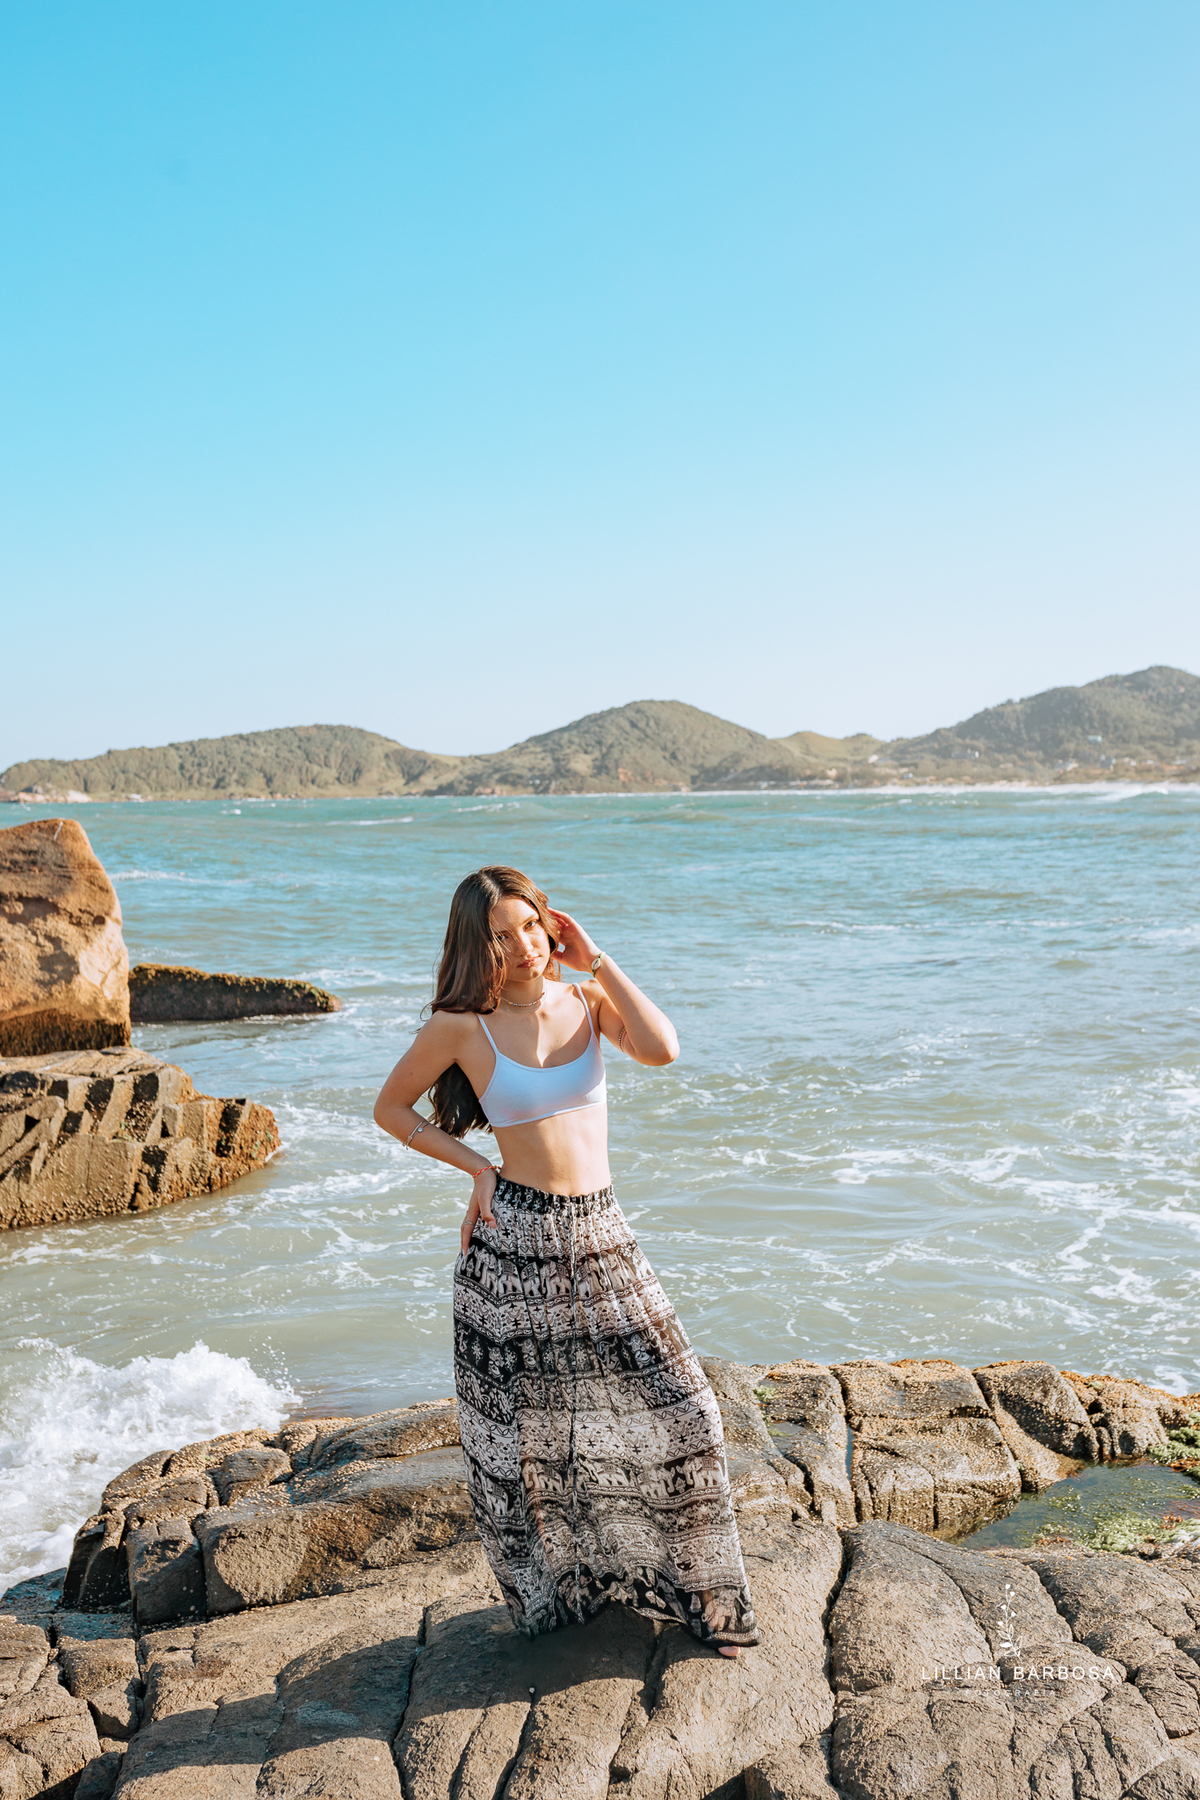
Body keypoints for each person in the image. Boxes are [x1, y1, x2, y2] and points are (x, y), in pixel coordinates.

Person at [373, 864, 758, 1656]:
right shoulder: (460, 1025)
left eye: (529, 926)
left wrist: (599, 960)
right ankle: (565, 1599)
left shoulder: (585, 1000)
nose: (521, 948)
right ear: (476, 948)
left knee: (687, 1411)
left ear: (551, 923)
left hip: (602, 1232)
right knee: (533, 1447)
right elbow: (390, 1108)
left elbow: (663, 1049)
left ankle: (708, 1601)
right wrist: (477, 1169)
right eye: (500, 937)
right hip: (514, 1243)